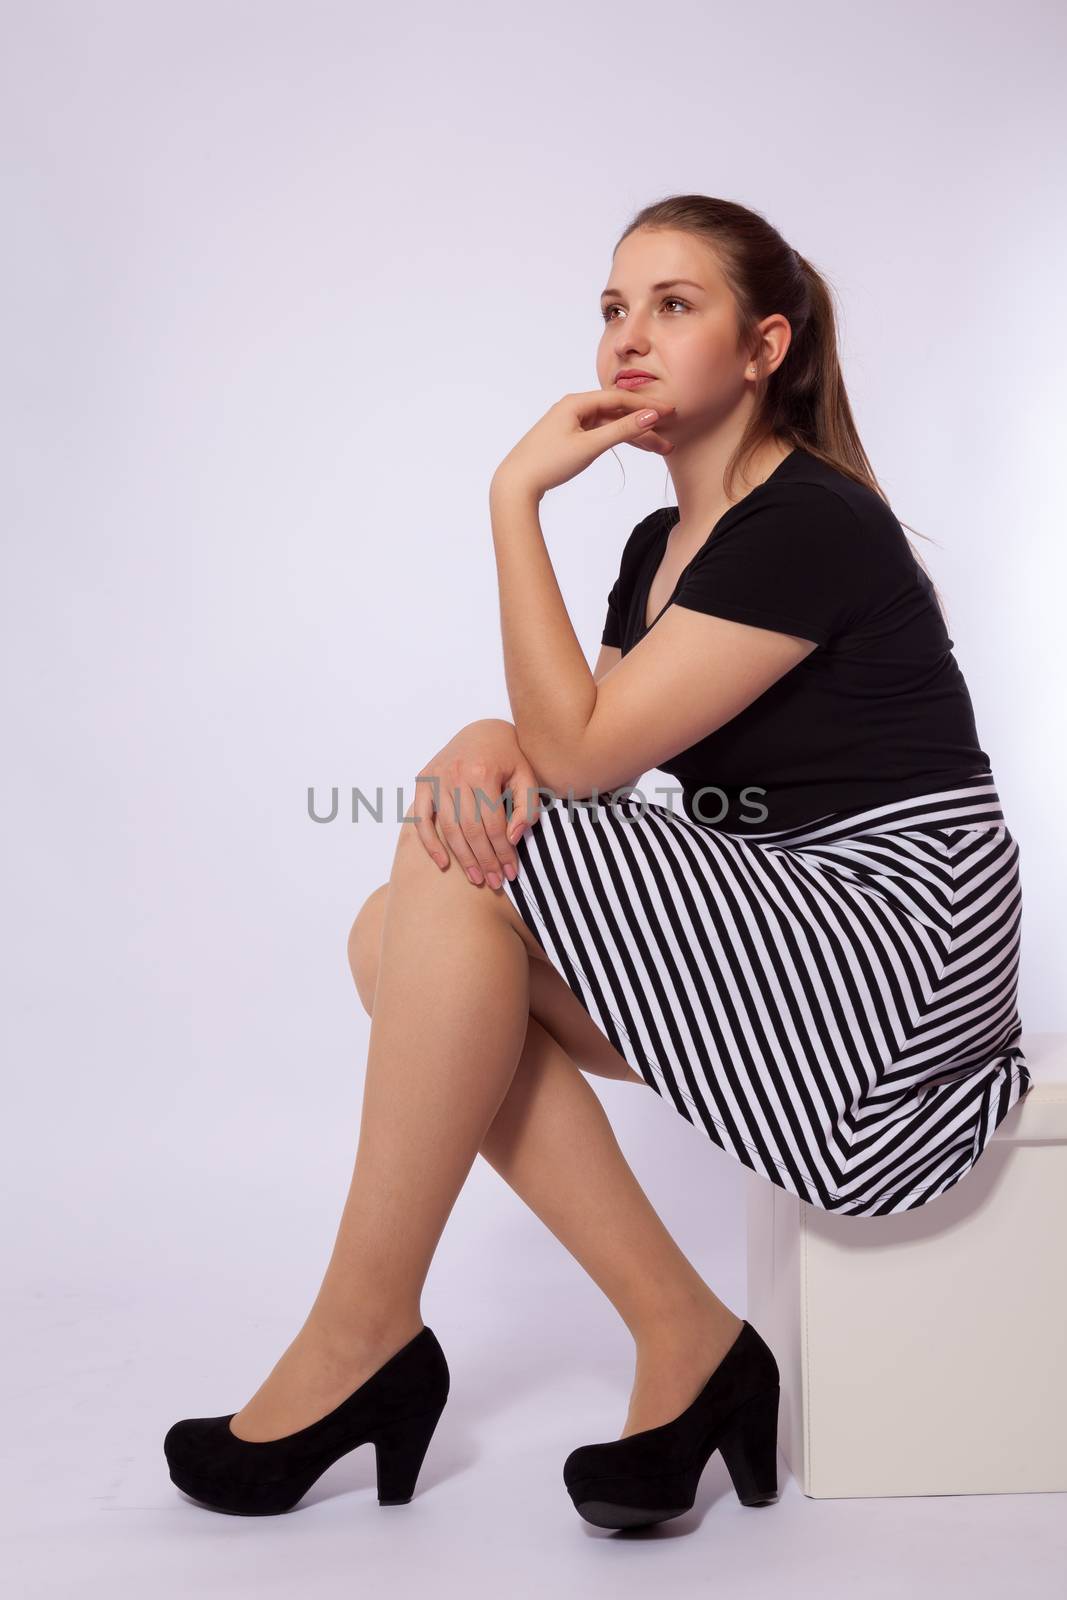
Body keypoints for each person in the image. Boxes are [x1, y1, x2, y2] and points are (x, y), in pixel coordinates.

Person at [163, 193, 1030, 1530]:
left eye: (674, 306)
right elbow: (589, 762)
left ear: (765, 348)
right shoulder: (657, 549)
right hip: (786, 919)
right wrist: (488, 735)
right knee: (401, 936)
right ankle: (685, 1338)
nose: (629, 336)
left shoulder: (809, 521)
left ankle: (364, 1337)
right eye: (614, 308)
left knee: (458, 866)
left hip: (896, 942)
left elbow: (567, 765)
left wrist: (511, 499)